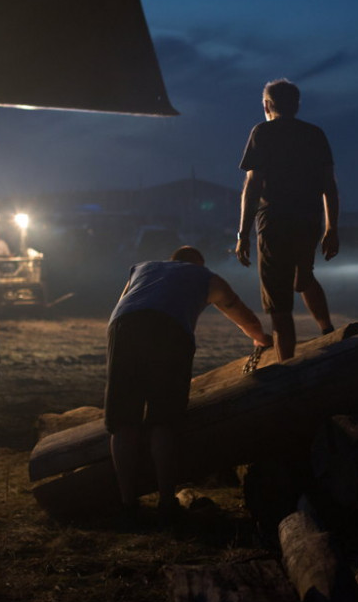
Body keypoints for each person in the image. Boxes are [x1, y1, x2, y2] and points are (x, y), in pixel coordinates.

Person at [106, 246, 270, 526]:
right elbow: (240, 313)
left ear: (172, 260)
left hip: (124, 326)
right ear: (199, 263)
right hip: (169, 331)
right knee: (163, 419)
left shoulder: (143, 268)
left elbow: (126, 303)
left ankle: (127, 503)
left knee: (123, 421)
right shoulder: (206, 277)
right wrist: (261, 339)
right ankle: (167, 502)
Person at [236, 78, 340, 362]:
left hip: (274, 222)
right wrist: (331, 228)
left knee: (279, 306)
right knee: (303, 277)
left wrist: (242, 233)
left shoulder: (262, 132)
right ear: (296, 105)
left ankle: (286, 369)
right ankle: (328, 330)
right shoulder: (314, 134)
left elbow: (253, 185)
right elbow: (328, 185)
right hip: (308, 221)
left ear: (267, 105)